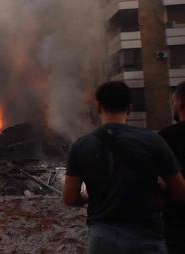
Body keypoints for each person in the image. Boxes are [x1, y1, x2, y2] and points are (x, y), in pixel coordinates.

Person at [63, 81, 185, 254]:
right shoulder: (153, 141)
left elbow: (70, 198)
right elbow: (180, 192)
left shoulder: (81, 146)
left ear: (99, 107)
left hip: (102, 239)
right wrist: (157, 190)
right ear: (129, 108)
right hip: (146, 238)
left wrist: (88, 195)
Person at [159, 81, 185, 253]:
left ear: (181, 103)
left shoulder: (166, 137)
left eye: (173, 102)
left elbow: (157, 183)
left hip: (178, 225)